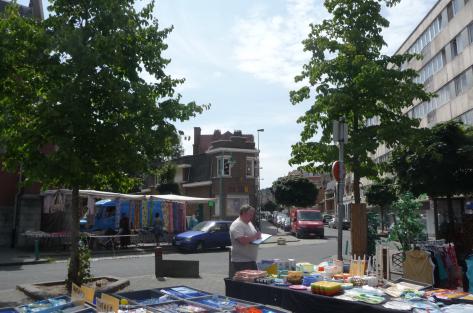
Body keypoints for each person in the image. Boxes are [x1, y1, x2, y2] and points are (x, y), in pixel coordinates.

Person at [229, 204, 262, 278]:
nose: (252, 217)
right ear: (243, 213)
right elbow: (243, 241)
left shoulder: (249, 223)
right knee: (248, 285)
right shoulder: (237, 225)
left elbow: (253, 236)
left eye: (252, 215)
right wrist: (255, 236)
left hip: (250, 260)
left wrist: (258, 236)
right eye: (250, 215)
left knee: (255, 283)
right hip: (241, 261)